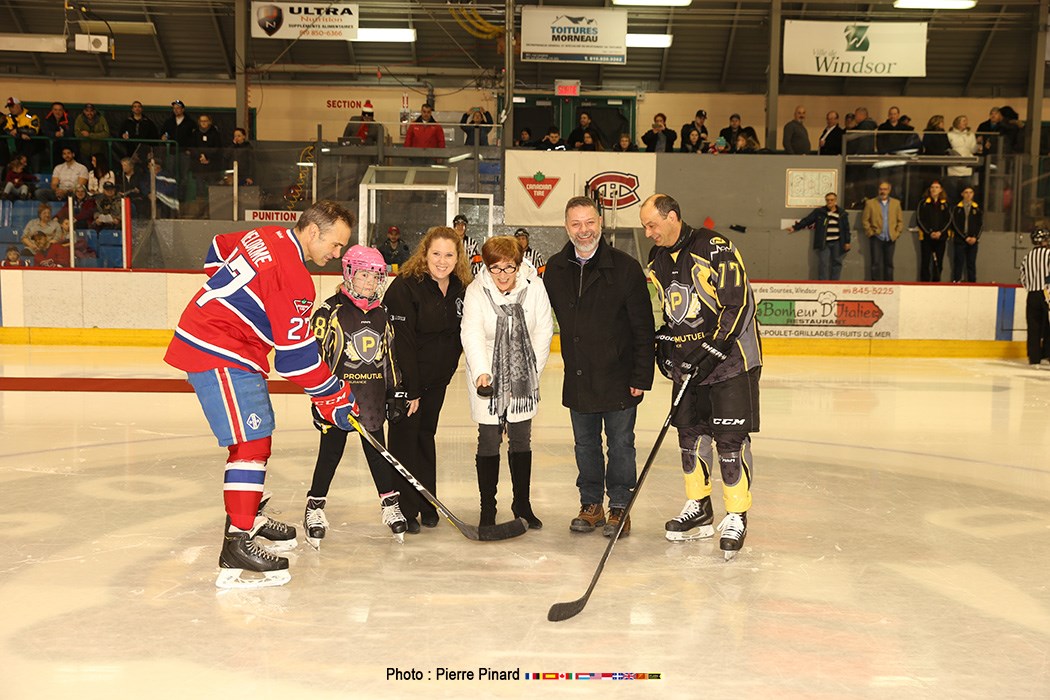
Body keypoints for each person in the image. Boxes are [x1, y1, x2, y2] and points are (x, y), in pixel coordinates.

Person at [163, 200, 359, 589]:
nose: (337, 255)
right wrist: (335, 394)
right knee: (252, 443)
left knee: (256, 437)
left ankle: (248, 515)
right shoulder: (295, 277)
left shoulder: (264, 235)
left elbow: (217, 248)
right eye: (335, 245)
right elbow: (296, 360)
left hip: (231, 346)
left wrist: (234, 301)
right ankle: (237, 542)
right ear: (314, 232)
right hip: (219, 349)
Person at [641, 193, 762, 559]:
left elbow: (738, 304)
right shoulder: (657, 258)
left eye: (652, 225)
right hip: (688, 365)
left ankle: (737, 514)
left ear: (673, 217)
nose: (648, 233)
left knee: (729, 441)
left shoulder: (715, 247)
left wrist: (711, 350)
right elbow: (671, 310)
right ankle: (700, 508)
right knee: (690, 438)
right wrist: (663, 340)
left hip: (731, 362)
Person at [543, 196, 655, 537]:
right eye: (575, 224)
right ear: (566, 227)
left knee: (621, 444)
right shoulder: (555, 269)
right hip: (579, 376)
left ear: (600, 223)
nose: (584, 230)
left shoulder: (625, 268)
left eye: (589, 222)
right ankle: (591, 504)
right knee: (585, 445)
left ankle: (619, 505)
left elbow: (643, 327)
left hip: (619, 376)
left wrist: (641, 375)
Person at [306, 245, 410, 546]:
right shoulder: (329, 312)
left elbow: (388, 357)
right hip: (337, 401)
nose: (369, 282)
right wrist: (319, 400)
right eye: (363, 275)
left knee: (379, 453)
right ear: (349, 274)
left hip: (372, 397)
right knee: (330, 453)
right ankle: (314, 506)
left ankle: (390, 506)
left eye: (376, 277)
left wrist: (395, 393)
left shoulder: (382, 314)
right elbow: (316, 360)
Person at [461, 236, 553, 529]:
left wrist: (528, 373)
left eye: (509, 268)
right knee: (489, 437)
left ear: (518, 265)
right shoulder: (477, 290)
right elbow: (472, 332)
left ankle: (522, 503)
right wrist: (481, 372)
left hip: (524, 370)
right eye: (495, 269)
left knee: (520, 437)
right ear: (486, 267)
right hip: (487, 367)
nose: (502, 275)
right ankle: (487, 506)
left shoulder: (535, 286)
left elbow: (543, 330)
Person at [384, 226, 471, 532]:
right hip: (407, 383)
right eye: (436, 253)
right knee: (404, 441)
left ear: (458, 256)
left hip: (437, 381)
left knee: (425, 437)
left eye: (449, 254)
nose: (442, 260)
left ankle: (426, 501)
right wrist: (410, 389)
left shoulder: (461, 286)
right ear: (425, 253)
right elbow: (402, 341)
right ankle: (404, 508)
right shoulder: (406, 287)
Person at [785, 192, 851, 280]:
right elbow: (807, 220)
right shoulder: (820, 212)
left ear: (835, 200)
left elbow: (846, 228)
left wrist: (847, 241)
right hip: (824, 242)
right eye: (827, 200)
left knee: (837, 262)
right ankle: (823, 284)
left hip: (838, 242)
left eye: (832, 200)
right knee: (823, 263)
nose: (829, 202)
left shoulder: (842, 213)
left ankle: (835, 284)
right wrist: (795, 227)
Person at [1019, 227, 1050, 366]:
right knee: (1048, 326)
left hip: (1032, 294)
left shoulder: (1027, 257)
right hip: (1047, 294)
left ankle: (1034, 358)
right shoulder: (1049, 253)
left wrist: (1031, 287)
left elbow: (1023, 277)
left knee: (1033, 327)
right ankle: (1047, 355)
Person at [862, 181, 904, 281]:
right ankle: (875, 285)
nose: (882, 191)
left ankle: (889, 285)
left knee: (889, 263)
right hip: (876, 237)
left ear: (889, 190)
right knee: (875, 263)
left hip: (890, 237)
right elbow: (865, 220)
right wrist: (870, 233)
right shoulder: (870, 203)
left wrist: (897, 233)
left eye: (885, 189)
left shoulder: (896, 203)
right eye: (881, 189)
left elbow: (900, 221)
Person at [916, 180, 951, 282]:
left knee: (939, 262)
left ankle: (937, 281)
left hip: (941, 237)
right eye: (932, 187)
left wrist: (940, 232)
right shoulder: (923, 203)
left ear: (940, 190)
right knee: (925, 261)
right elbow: (919, 219)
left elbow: (948, 220)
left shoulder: (946, 204)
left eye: (936, 187)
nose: (934, 189)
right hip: (927, 237)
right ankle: (924, 282)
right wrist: (929, 232)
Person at [949, 185, 982, 283]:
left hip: (973, 240)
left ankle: (972, 282)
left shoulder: (977, 208)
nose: (968, 195)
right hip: (960, 240)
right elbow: (954, 224)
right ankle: (957, 280)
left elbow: (980, 225)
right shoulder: (956, 208)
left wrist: (975, 237)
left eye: (970, 192)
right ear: (962, 194)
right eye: (966, 192)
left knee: (971, 263)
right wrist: (965, 237)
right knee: (959, 262)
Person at [946, 115, 979, 198]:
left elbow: (973, 150)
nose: (966, 123)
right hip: (953, 166)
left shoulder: (971, 135)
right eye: (963, 121)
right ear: (957, 122)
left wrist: (977, 146)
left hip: (966, 166)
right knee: (952, 191)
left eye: (966, 121)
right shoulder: (950, 135)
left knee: (967, 189)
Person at [4, 97, 41, 167]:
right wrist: (21, 135)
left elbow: (33, 131)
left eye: (12, 107)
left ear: (19, 105)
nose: (11, 109)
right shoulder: (9, 117)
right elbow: (7, 130)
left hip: (33, 149)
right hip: (19, 150)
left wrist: (18, 130)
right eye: (9, 107)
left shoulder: (31, 116)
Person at [41, 102, 73, 167]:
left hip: (66, 145)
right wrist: (54, 134)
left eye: (60, 110)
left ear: (63, 111)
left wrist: (63, 134)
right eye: (55, 110)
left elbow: (71, 131)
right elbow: (45, 131)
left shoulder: (69, 119)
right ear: (52, 110)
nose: (57, 112)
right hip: (52, 147)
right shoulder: (47, 119)